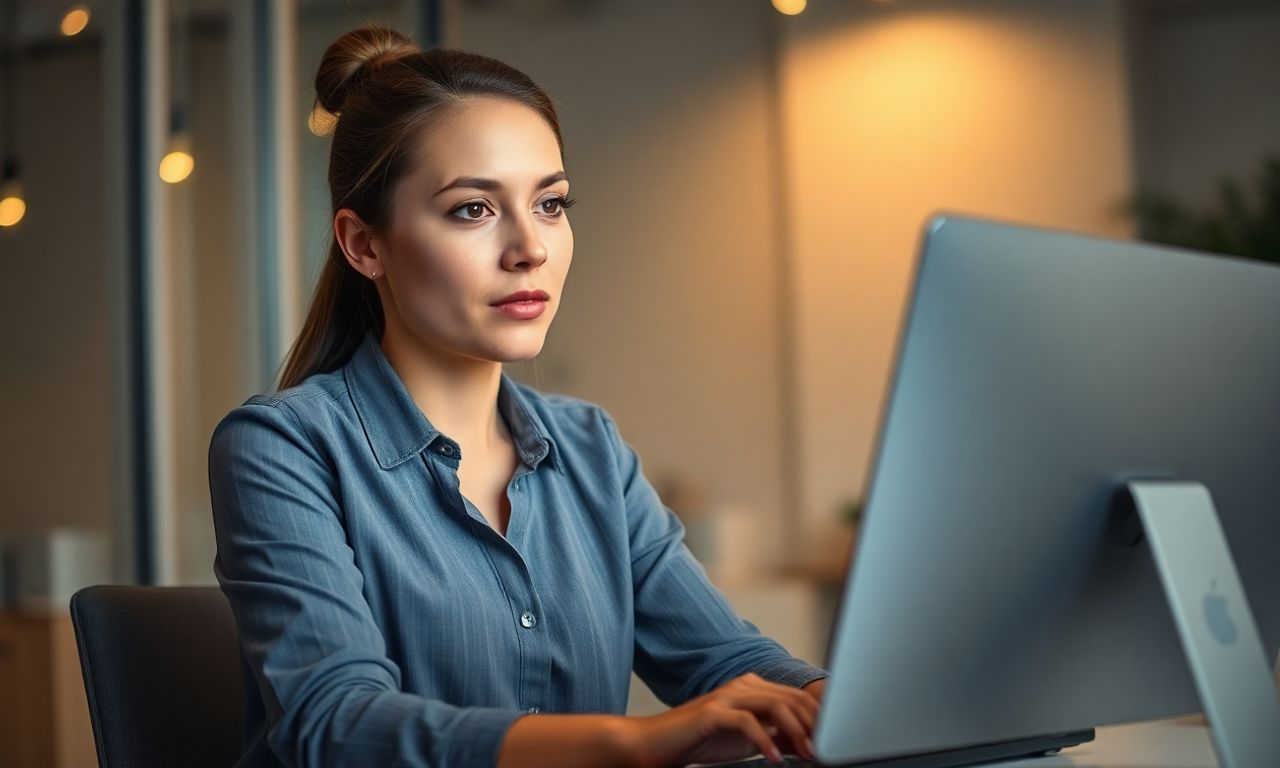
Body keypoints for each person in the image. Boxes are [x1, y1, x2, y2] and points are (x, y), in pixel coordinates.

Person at [208, 26, 827, 768]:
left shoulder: (591, 449)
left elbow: (726, 659)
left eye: (551, 204)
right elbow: (337, 727)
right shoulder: (281, 447)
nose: (530, 248)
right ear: (363, 244)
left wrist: (852, 702)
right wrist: (632, 740)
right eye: (473, 209)